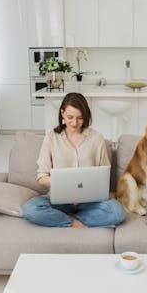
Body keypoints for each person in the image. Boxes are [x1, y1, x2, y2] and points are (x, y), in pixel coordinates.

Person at [22, 93, 126, 228]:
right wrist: (64, 183)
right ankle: (74, 223)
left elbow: (104, 174)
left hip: (90, 201)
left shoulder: (97, 138)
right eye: (70, 117)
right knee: (30, 209)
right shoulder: (51, 138)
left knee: (118, 212)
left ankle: (65, 219)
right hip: (59, 201)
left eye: (80, 118)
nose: (75, 123)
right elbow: (41, 177)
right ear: (62, 113)